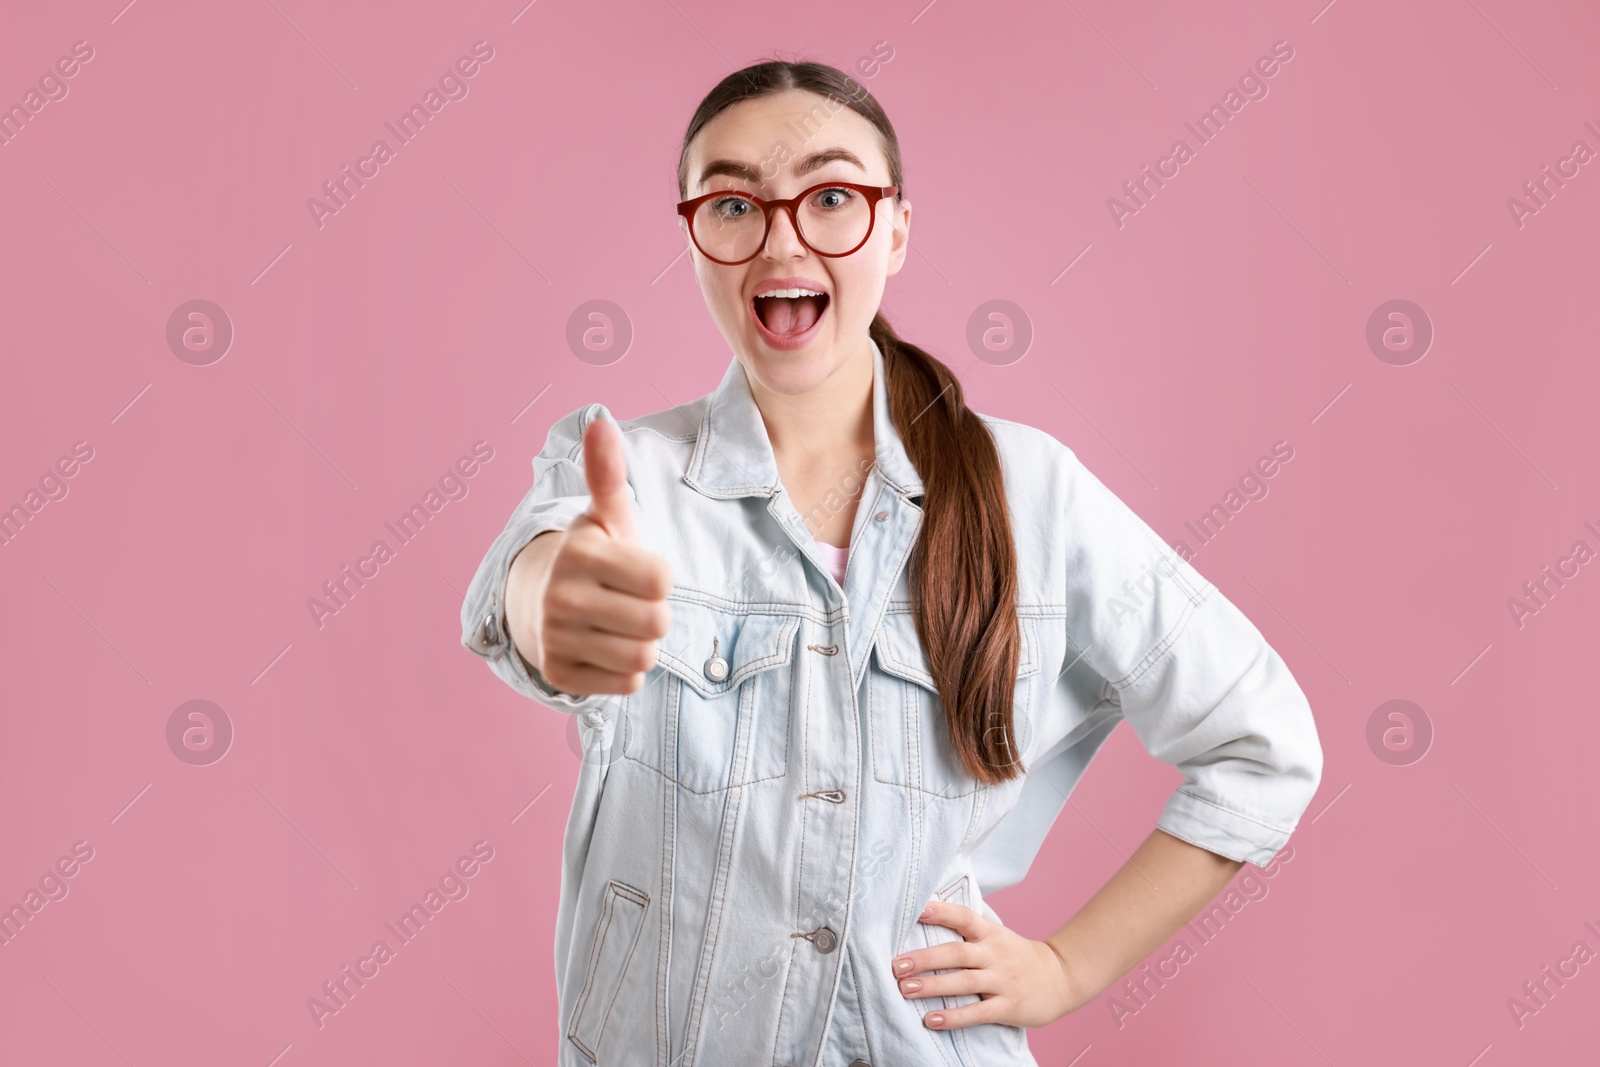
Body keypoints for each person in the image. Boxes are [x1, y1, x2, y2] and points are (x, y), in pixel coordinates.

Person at [459, 58, 1323, 1067]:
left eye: (831, 197)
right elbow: (526, 582)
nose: (781, 239)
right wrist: (547, 600)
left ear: (897, 229)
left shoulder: (1031, 491)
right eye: (735, 202)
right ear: (693, 236)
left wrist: (1064, 969)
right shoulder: (627, 474)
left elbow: (1263, 744)